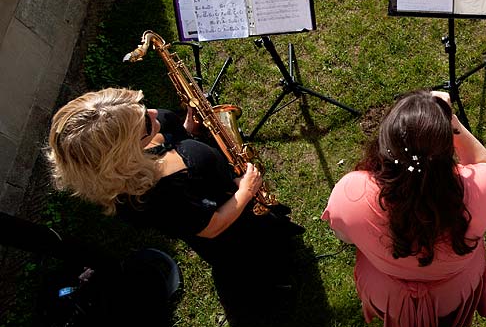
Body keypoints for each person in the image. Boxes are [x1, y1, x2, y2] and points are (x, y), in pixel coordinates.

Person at [46, 87, 299, 292]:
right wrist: (244, 191)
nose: (155, 114)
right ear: (124, 155)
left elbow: (176, 140)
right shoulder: (152, 197)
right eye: (144, 122)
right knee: (263, 255)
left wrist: (188, 130)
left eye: (142, 108)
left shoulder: (148, 132)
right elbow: (213, 227)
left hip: (226, 190)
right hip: (235, 232)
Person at [322, 90, 486, 327]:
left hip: (394, 296)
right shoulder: (480, 189)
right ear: (446, 150)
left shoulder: (350, 191)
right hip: (453, 290)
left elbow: (343, 237)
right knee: (448, 314)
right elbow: (484, 162)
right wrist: (450, 119)